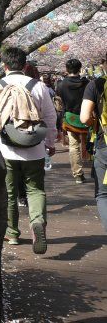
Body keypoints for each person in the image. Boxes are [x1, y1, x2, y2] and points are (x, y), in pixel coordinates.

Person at [0, 47, 57, 254]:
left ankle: (13, 233)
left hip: (5, 148)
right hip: (35, 148)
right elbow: (50, 117)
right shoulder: (38, 86)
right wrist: (50, 143)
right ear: (25, 66)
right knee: (35, 189)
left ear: (4, 66)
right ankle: (38, 222)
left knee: (9, 192)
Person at [80, 53, 107, 230]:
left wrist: (94, 123)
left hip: (104, 142)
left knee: (103, 194)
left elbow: (84, 118)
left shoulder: (95, 84)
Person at [57, 59, 90, 183]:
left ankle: (78, 174)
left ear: (66, 69)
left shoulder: (61, 84)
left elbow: (60, 102)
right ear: (80, 69)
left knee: (73, 146)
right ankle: (96, 170)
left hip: (70, 118)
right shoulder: (87, 83)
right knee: (91, 142)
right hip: (87, 117)